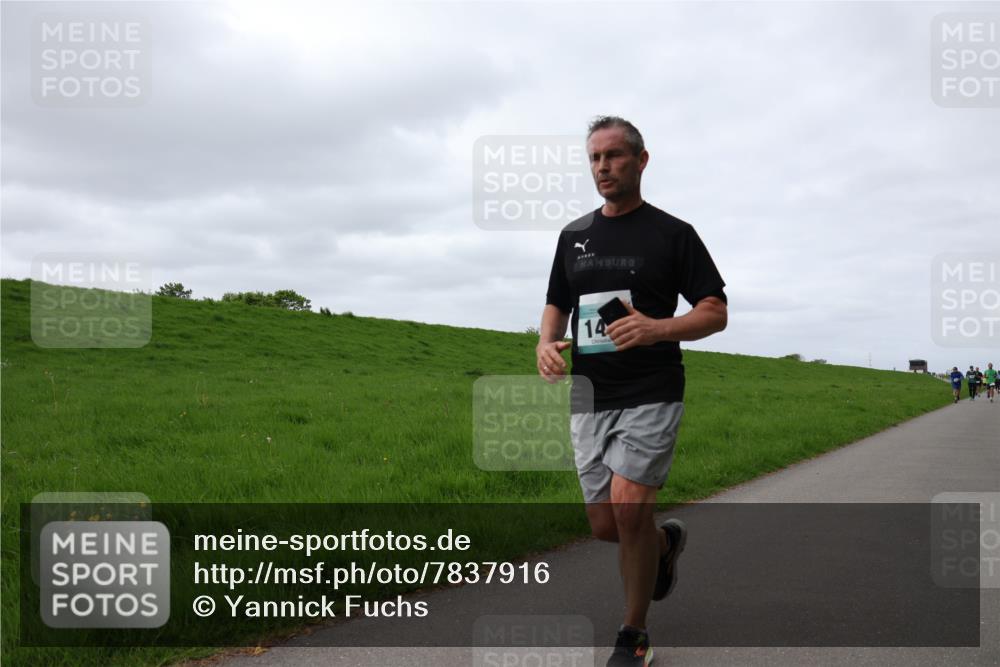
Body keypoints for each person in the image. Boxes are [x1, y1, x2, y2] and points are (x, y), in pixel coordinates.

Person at [537, 116, 727, 667]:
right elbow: (557, 301)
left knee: (626, 510)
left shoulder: (672, 234)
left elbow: (714, 312)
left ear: (641, 160)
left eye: (614, 156)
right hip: (590, 394)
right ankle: (663, 545)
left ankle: (633, 634)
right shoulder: (574, 236)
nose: (603, 167)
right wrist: (545, 343)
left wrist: (656, 327)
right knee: (605, 526)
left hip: (652, 389)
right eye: (594, 158)